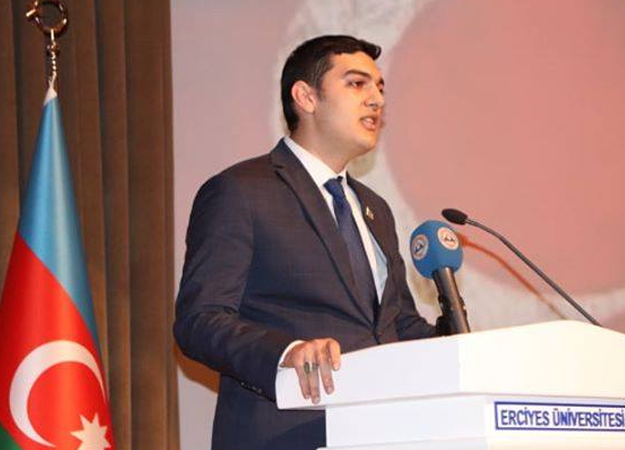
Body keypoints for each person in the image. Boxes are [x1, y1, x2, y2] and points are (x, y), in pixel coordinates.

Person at [174, 35, 436, 450]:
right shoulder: (241, 191)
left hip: (380, 434)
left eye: (380, 88)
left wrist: (468, 346)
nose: (377, 100)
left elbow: (397, 324)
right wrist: (287, 352)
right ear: (306, 97)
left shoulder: (375, 209)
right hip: (285, 435)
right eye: (357, 84)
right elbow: (200, 320)